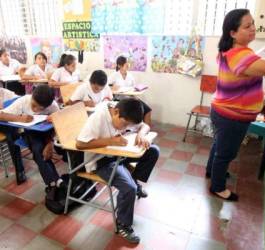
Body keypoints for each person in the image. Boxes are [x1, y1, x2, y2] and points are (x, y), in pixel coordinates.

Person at [206, 9, 265, 201]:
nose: (253, 29)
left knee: (219, 146)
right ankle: (217, 187)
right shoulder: (239, 55)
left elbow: (245, 67)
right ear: (233, 33)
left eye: (253, 24)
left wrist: (258, 54)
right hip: (230, 117)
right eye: (247, 26)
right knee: (226, 153)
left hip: (221, 111)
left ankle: (212, 172)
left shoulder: (229, 50)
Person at [76, 98, 159, 244]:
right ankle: (123, 224)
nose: (125, 128)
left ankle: (133, 181)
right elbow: (80, 143)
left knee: (153, 151)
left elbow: (144, 125)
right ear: (115, 112)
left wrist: (140, 135)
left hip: (118, 154)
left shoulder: (124, 112)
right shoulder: (99, 118)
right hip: (101, 161)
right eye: (125, 124)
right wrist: (110, 141)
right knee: (128, 188)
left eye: (129, 125)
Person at [0, 85, 62, 187]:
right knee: (38, 148)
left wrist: (50, 144)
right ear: (32, 95)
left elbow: (57, 127)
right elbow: (1, 115)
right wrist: (20, 118)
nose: (36, 110)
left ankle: (53, 183)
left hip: (44, 134)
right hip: (26, 133)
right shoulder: (24, 101)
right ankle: (55, 181)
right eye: (33, 105)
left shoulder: (53, 106)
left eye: (40, 108)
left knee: (39, 148)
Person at [108, 56, 152, 126]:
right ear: (119, 65)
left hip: (131, 99)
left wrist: (136, 90)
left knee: (148, 110)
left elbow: (133, 88)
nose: (128, 65)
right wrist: (112, 87)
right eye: (126, 63)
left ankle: (146, 131)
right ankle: (136, 130)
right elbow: (107, 86)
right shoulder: (114, 75)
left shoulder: (130, 76)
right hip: (120, 100)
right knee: (135, 112)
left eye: (128, 63)